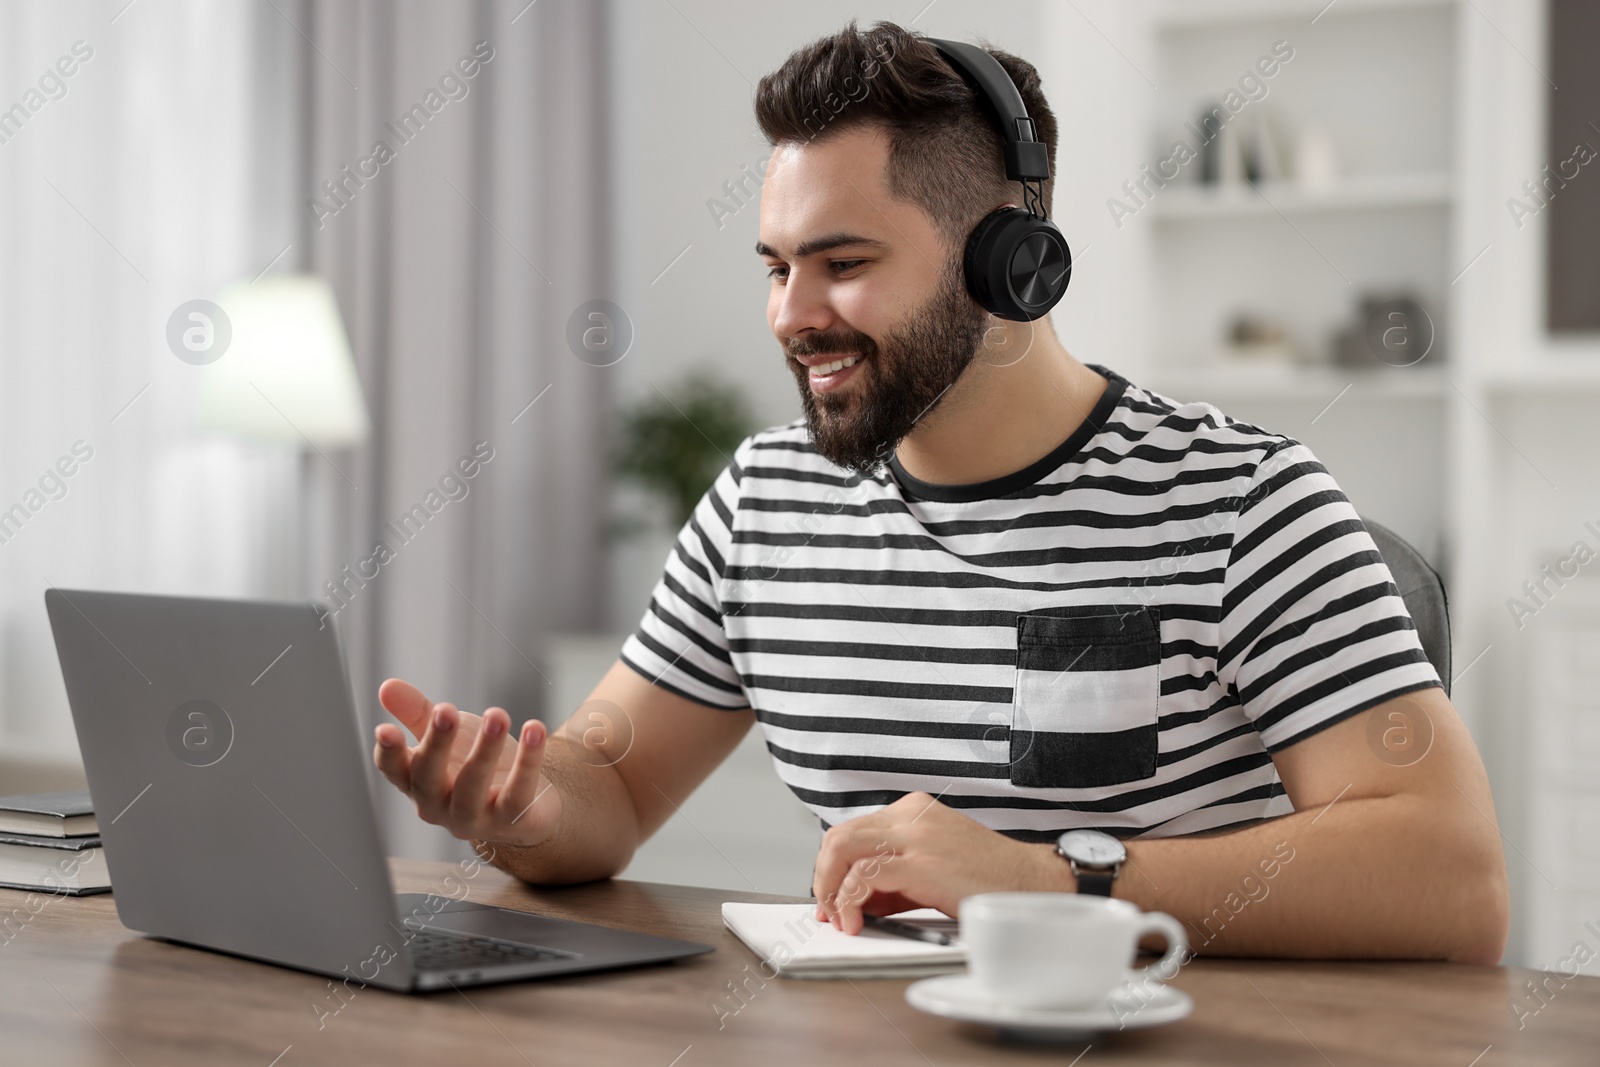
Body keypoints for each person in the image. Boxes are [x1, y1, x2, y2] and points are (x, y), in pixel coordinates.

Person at [373, 20, 1508, 963]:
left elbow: (1451, 875)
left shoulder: (1242, 502)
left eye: (843, 263)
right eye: (777, 267)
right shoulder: (767, 499)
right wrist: (521, 806)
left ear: (1010, 262)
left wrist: (1052, 879)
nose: (788, 313)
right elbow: (608, 787)